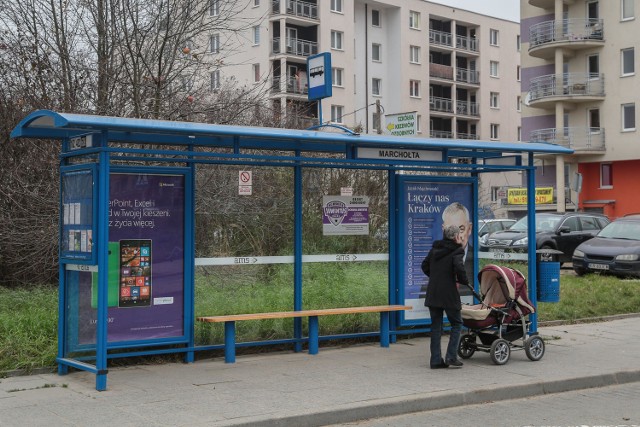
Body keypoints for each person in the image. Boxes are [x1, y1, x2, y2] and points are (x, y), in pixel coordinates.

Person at [421, 224, 470, 369]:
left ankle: (435, 360)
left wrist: (435, 277)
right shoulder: (457, 251)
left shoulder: (435, 249)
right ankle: (451, 357)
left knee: (436, 327)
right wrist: (463, 281)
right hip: (448, 293)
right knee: (457, 323)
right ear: (455, 237)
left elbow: (424, 266)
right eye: (459, 235)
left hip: (434, 293)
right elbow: (459, 268)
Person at [441, 202, 473, 297]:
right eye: (451, 230)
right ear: (443, 230)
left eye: (461, 229)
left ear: (469, 229)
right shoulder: (437, 256)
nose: (456, 236)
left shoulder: (475, 262)